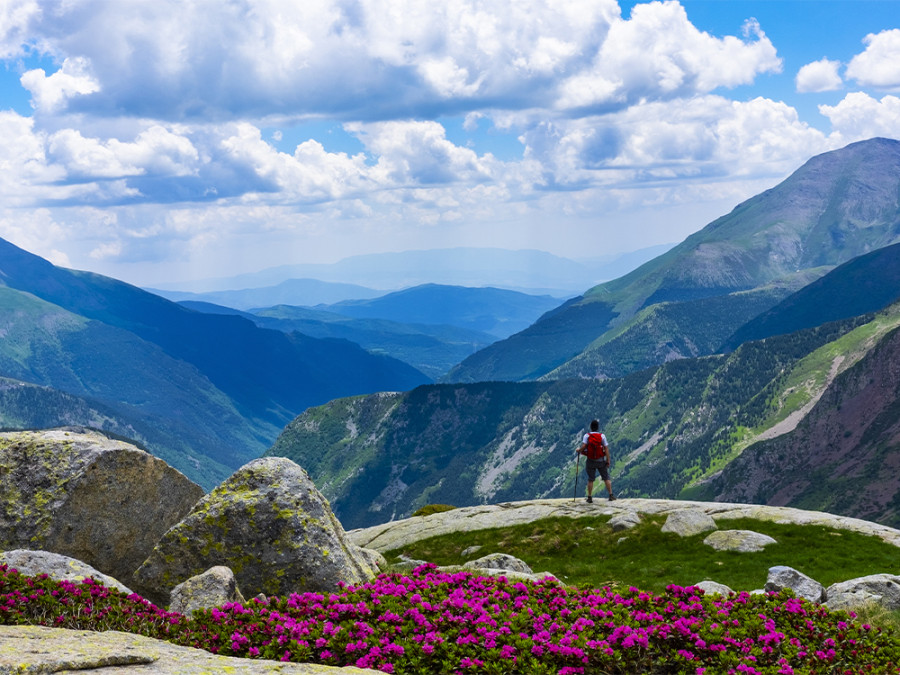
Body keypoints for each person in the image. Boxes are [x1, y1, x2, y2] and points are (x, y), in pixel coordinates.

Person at [576, 419, 615, 503]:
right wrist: (608, 460)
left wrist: (579, 450)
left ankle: (589, 497)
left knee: (591, 479)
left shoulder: (587, 435)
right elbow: (606, 449)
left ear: (591, 427)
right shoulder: (602, 436)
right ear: (597, 427)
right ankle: (611, 495)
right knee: (606, 478)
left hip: (590, 460)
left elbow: (584, 446)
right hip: (601, 460)